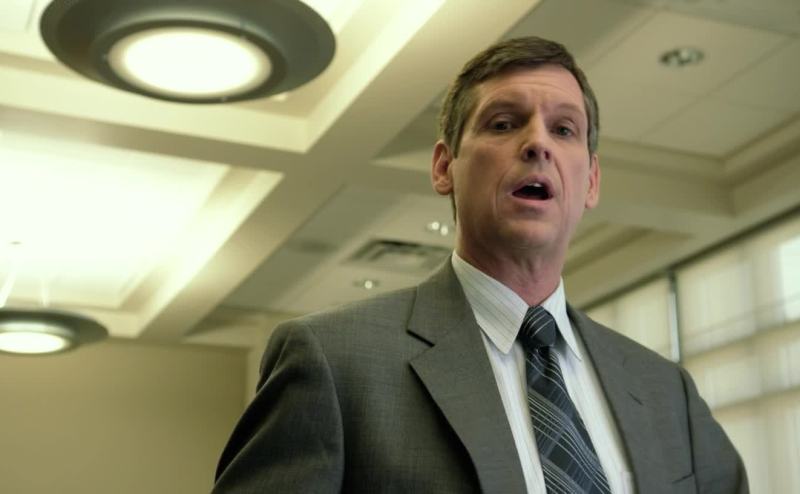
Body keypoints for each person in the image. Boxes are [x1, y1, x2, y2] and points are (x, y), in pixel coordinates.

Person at [212, 36, 747, 493]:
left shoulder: (667, 392)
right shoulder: (332, 362)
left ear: (591, 181)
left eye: (564, 130)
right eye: (504, 123)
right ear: (444, 167)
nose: (537, 143)